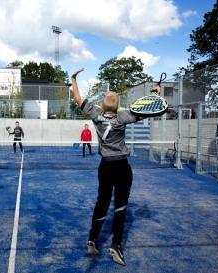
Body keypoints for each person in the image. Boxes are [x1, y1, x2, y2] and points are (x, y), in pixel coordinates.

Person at [71, 68, 162, 266]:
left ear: (102, 104)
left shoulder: (95, 114)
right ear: (118, 105)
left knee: (101, 203)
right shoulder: (123, 118)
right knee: (120, 207)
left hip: (105, 167)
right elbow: (147, 109)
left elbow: (78, 99)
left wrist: (73, 79)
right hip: (122, 167)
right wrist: (156, 93)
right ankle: (116, 245)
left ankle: (92, 239)